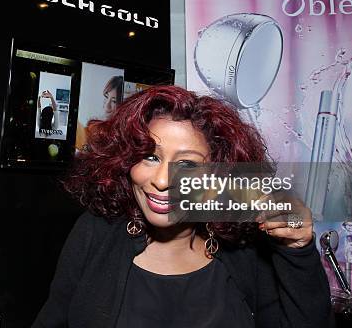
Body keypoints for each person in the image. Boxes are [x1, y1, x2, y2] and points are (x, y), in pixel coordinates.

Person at [34, 85, 333, 328]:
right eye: (150, 157)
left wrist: (298, 250)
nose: (163, 180)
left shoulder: (245, 249)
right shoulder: (95, 232)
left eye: (187, 164)